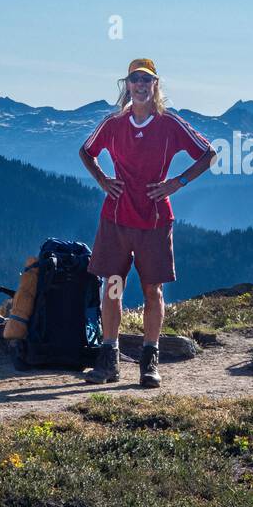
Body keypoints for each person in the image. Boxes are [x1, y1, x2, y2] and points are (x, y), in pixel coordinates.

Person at [78, 58, 215, 387]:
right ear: (127, 84)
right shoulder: (114, 124)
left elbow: (208, 153)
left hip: (154, 220)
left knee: (153, 291)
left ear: (155, 86)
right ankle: (109, 358)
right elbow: (86, 151)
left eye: (147, 80)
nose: (140, 85)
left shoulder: (170, 124)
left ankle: (149, 360)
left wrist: (177, 182)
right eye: (135, 79)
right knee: (112, 287)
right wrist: (102, 180)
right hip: (115, 218)